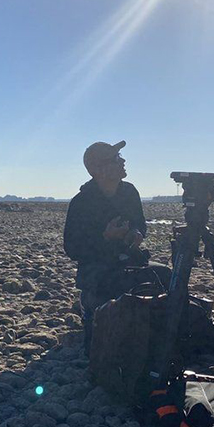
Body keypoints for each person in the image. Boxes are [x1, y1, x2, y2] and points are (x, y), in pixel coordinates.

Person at [63, 140, 171, 355]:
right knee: (111, 301)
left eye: (120, 157)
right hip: (97, 269)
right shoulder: (81, 202)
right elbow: (72, 248)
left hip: (129, 260)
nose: (122, 161)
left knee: (166, 277)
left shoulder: (129, 192)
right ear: (97, 170)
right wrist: (105, 237)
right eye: (115, 159)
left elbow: (140, 224)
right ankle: (91, 310)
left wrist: (136, 234)